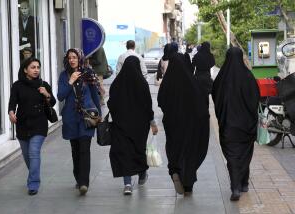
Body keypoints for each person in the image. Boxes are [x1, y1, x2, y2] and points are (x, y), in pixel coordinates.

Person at [158, 52, 209, 196]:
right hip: (191, 126)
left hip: (172, 124)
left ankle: (175, 171)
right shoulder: (193, 82)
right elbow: (202, 105)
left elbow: (160, 101)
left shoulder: (167, 82)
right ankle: (188, 186)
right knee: (190, 153)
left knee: (174, 148)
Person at [212, 47, 259, 201]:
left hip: (228, 126)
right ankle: (244, 183)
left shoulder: (222, 78)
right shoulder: (248, 77)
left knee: (232, 156)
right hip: (246, 126)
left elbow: (215, 98)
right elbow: (255, 100)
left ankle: (236, 186)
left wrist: (222, 116)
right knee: (245, 153)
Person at [108, 55, 158, 195]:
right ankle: (142, 173)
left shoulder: (117, 83)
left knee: (124, 152)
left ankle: (127, 184)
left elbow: (111, 103)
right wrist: (152, 122)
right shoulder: (142, 83)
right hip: (140, 126)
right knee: (138, 149)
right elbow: (148, 105)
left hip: (121, 125)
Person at [8, 57, 56, 195]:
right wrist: (11, 112)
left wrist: (46, 94)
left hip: (39, 124)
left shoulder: (43, 84)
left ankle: (33, 184)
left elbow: (52, 102)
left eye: (38, 67)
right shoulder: (17, 85)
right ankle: (34, 175)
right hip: (22, 124)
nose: (36, 70)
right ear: (25, 69)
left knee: (34, 152)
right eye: (33, 67)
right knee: (27, 155)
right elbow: (12, 102)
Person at [57, 48, 101, 196]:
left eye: (74, 57)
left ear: (80, 58)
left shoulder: (88, 74)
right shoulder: (64, 76)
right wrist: (70, 81)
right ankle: (78, 177)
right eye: (69, 58)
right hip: (71, 118)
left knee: (84, 149)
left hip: (87, 118)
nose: (72, 60)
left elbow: (95, 96)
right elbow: (60, 96)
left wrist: (99, 117)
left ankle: (84, 183)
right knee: (75, 151)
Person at [192, 41, 215, 106]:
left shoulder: (197, 55)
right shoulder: (210, 55)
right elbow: (213, 63)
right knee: (206, 94)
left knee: (198, 94)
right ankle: (205, 108)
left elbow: (193, 64)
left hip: (198, 76)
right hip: (207, 76)